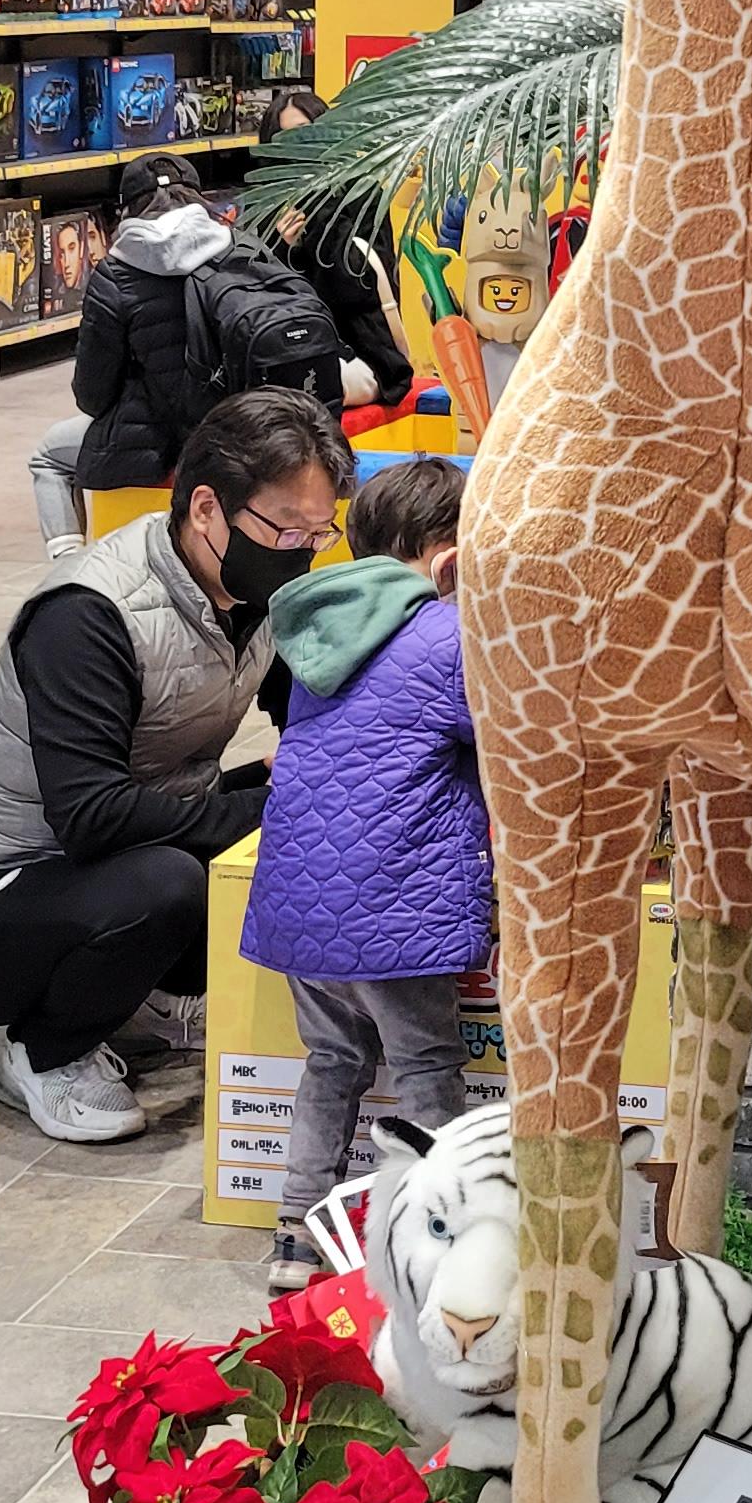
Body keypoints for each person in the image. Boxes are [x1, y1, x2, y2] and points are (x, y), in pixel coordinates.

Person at [0, 389, 351, 1141]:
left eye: (319, 531)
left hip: (107, 854)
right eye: (285, 529)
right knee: (172, 881)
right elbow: (88, 816)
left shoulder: (251, 591)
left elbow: (307, 714)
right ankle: (46, 1053)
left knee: (301, 797)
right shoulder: (89, 612)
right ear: (206, 508)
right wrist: (268, 807)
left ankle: (139, 997)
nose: (302, 550)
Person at [241, 456, 489, 1286]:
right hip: (395, 908)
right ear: (447, 557)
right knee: (425, 1069)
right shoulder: (448, 636)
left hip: (299, 911)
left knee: (332, 1061)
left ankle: (294, 1237)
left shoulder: (323, 633)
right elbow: (504, 741)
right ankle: (441, 1236)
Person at [27, 152, 233, 549]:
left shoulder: (115, 275)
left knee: (48, 456)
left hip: (154, 440)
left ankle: (70, 568)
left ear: (127, 210)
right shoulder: (235, 252)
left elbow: (92, 395)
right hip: (240, 426)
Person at [251, 86, 409, 407]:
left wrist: (320, 211)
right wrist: (284, 250)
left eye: (306, 134)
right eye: (285, 139)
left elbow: (360, 287)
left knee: (307, 387)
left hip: (361, 351)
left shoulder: (362, 193)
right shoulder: (265, 202)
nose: (298, 149)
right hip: (289, 345)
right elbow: (258, 293)